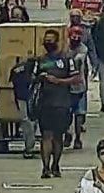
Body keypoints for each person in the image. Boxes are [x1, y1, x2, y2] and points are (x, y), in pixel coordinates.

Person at [35, 29, 81, 178]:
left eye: (51, 40)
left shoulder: (67, 59)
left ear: (57, 42)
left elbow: (76, 78)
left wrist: (59, 81)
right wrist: (40, 78)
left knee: (58, 136)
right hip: (45, 103)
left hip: (62, 103)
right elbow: (32, 78)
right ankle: (45, 167)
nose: (48, 43)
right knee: (46, 136)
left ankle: (56, 165)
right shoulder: (40, 60)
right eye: (46, 40)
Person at [64, 26, 88, 150]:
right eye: (74, 36)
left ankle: (78, 138)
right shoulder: (64, 47)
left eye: (78, 36)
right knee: (66, 113)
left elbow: (78, 60)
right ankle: (67, 133)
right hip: (66, 86)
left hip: (79, 86)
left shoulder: (83, 49)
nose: (76, 38)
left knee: (79, 114)